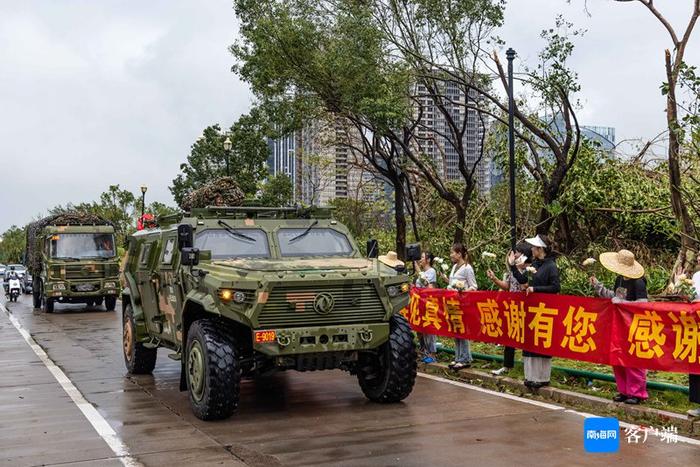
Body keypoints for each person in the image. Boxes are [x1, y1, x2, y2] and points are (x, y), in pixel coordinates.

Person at [590, 249, 649, 405]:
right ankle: (623, 390)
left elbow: (643, 304)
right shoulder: (619, 279)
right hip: (619, 325)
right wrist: (598, 287)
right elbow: (614, 296)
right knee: (618, 357)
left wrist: (623, 304)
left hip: (634, 325)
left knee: (633, 360)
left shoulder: (638, 281)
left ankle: (636, 392)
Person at [520, 234, 560, 389]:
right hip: (533, 308)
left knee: (542, 344)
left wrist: (535, 289)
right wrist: (512, 266)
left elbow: (555, 287)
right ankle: (530, 376)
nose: (532, 249)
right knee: (530, 341)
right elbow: (524, 280)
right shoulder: (535, 264)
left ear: (541, 249)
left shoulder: (551, 266)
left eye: (534, 247)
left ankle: (542, 377)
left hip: (545, 309)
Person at [441, 243, 477, 370]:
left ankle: (465, 358)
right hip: (452, 302)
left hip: (463, 303)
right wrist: (447, 281)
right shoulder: (454, 266)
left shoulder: (468, 268)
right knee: (456, 330)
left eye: (452, 253)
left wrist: (463, 290)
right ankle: (458, 357)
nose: (451, 255)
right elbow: (453, 282)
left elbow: (473, 286)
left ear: (459, 254)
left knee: (462, 330)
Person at [415, 251, 438, 363]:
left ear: (428, 260)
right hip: (420, 303)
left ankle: (432, 354)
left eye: (422, 257)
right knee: (420, 329)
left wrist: (419, 272)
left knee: (429, 328)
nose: (420, 259)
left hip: (429, 302)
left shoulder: (431, 271)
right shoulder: (423, 272)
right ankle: (424, 351)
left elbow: (427, 284)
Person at [688, 255, 700, 417]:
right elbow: (693, 297)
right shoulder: (696, 276)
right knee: (696, 364)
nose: (698, 259)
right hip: (695, 325)